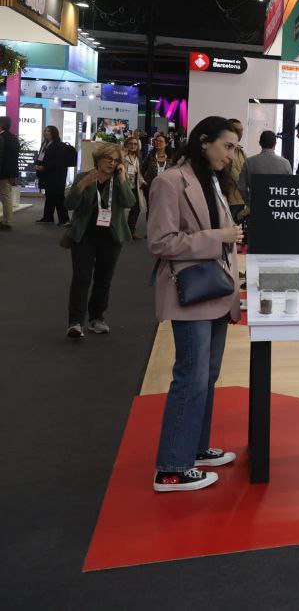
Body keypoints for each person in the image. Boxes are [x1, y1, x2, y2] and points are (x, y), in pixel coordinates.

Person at [148, 116, 243, 491]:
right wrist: (217, 236)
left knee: (207, 375)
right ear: (204, 141)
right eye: (227, 146)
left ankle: (195, 448)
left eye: (234, 148)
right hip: (190, 293)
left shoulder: (213, 180)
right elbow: (161, 242)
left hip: (217, 291)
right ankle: (172, 467)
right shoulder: (170, 181)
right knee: (191, 376)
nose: (231, 155)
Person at [64, 143, 137, 338]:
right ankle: (75, 322)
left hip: (111, 237)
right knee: (81, 278)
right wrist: (82, 185)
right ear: (98, 160)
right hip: (85, 236)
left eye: (116, 160)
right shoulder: (84, 177)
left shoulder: (118, 180)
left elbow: (130, 202)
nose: (112, 163)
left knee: (103, 279)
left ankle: (97, 318)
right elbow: (69, 204)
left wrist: (122, 179)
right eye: (109, 159)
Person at [237, 130, 292, 206]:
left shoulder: (249, 162)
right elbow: (289, 187)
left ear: (260, 143)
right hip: (277, 205)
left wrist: (248, 201)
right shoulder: (285, 163)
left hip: (256, 204)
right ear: (275, 144)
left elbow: (241, 186)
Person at [35, 125, 71, 225]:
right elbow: (41, 157)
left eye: (49, 131)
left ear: (54, 133)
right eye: (45, 131)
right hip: (47, 175)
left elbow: (58, 162)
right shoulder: (45, 143)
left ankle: (65, 220)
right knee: (49, 196)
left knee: (58, 197)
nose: (46, 133)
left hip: (57, 175)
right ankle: (48, 218)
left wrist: (44, 167)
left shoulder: (58, 145)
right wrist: (37, 165)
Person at [224, 119, 248, 224]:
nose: (240, 133)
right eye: (237, 130)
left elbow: (246, 171)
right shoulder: (225, 150)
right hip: (229, 200)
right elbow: (233, 174)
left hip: (239, 199)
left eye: (241, 130)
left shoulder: (240, 151)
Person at [121, 136, 145, 239]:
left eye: (135, 144)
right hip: (123, 185)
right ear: (126, 145)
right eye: (130, 143)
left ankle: (130, 231)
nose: (133, 146)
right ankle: (117, 230)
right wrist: (122, 154)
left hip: (134, 186)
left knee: (136, 209)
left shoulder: (137, 157)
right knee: (119, 208)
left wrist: (143, 182)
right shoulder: (122, 156)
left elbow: (138, 172)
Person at [0, 116, 18, 231]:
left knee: (5, 197)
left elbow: (11, 158)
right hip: (6, 172)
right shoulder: (12, 137)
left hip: (4, 173)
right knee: (5, 196)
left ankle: (7, 222)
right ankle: (6, 220)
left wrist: (11, 175)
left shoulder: (5, 138)